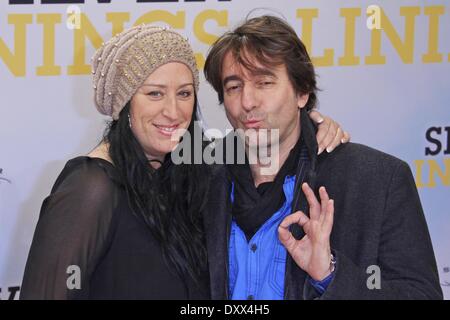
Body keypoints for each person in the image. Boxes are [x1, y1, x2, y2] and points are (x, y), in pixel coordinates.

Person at [20, 24, 346, 299]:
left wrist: (310, 122)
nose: (174, 112)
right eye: (155, 94)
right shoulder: (91, 186)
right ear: (124, 105)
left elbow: (268, 137)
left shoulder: (193, 164)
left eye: (184, 93)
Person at [202, 15, 443, 300]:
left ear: (302, 92)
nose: (247, 101)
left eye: (265, 82)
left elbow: (420, 295)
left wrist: (330, 276)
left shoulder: (377, 180)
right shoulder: (199, 179)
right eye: (233, 87)